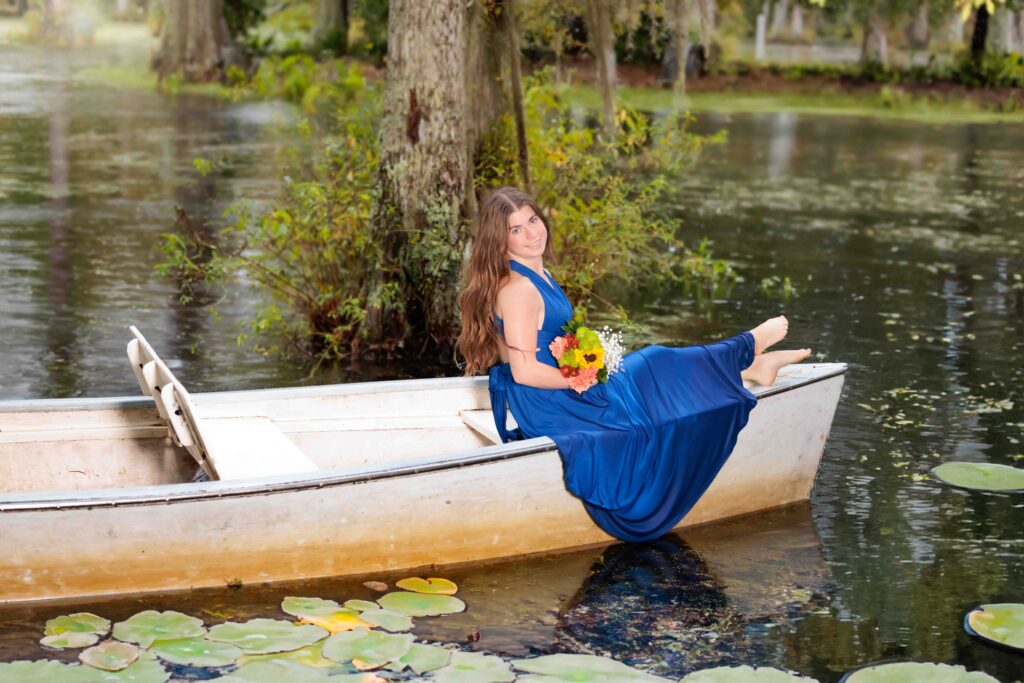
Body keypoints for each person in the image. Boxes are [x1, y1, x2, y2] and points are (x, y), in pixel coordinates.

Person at [456, 187, 811, 542]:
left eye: (532, 220)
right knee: (654, 364)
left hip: (563, 384)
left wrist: (584, 364)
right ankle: (748, 347)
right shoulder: (518, 290)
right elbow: (524, 371)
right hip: (547, 399)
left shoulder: (538, 274)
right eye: (516, 230)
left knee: (654, 364)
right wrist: (580, 379)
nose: (532, 233)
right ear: (500, 241)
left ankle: (748, 367)